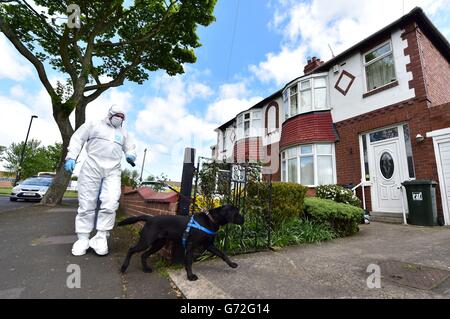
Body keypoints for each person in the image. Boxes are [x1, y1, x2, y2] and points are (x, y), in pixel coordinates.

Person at [64, 105, 136, 256]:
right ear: (110, 114)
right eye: (117, 115)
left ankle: (101, 236)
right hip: (92, 166)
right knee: (86, 203)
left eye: (122, 117)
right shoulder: (93, 125)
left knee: (111, 202)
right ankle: (83, 238)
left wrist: (130, 155)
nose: (120, 118)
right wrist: (71, 156)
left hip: (113, 170)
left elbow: (130, 147)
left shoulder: (124, 133)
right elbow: (78, 138)